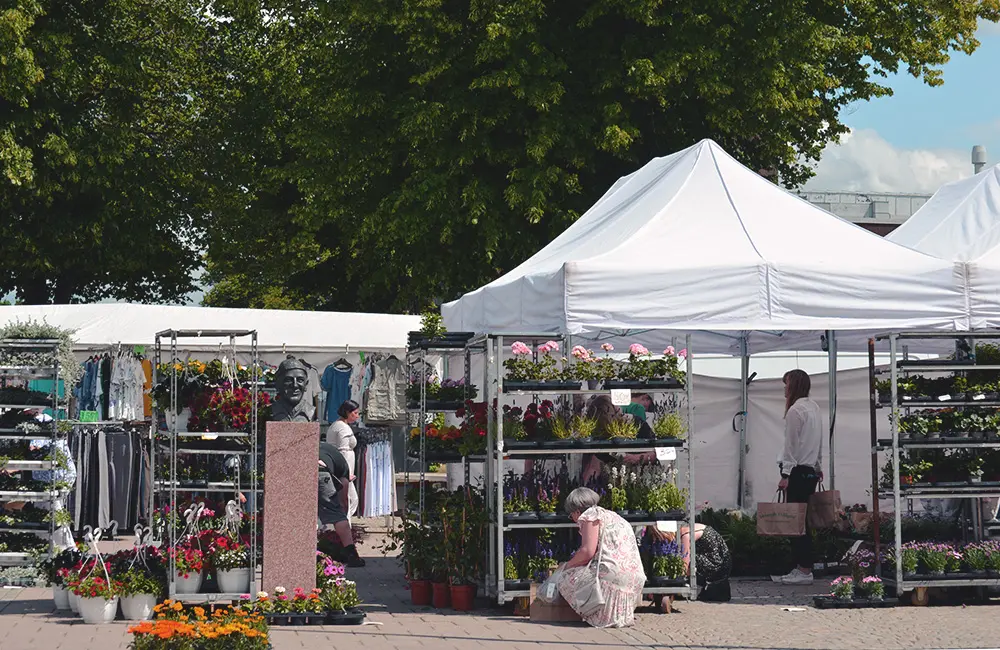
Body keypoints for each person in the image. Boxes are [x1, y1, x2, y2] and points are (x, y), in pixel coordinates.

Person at [552, 487, 645, 628]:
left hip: (614, 577)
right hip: (635, 577)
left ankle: (596, 614)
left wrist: (566, 566)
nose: (573, 519)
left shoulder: (590, 516)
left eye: (571, 515)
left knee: (566, 577)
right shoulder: (613, 515)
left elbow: (587, 551)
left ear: (577, 511)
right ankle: (619, 615)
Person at [774, 369, 823, 585]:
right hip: (809, 471)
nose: (784, 388)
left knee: (796, 523)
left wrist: (785, 474)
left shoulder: (796, 411)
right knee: (803, 522)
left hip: (797, 471)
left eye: (786, 384)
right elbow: (816, 441)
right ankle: (803, 567)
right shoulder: (814, 408)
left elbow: (791, 446)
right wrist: (818, 466)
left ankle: (803, 570)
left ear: (793, 385)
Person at [645, 523, 731, 608]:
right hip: (720, 562)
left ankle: (683, 590)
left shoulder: (685, 535)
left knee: (686, 562)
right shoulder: (684, 530)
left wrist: (672, 582)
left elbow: (685, 563)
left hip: (717, 565)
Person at [318, 442, 365, 567]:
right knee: (337, 514)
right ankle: (351, 555)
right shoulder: (344, 468)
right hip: (322, 472)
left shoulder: (323, 449)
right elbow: (343, 496)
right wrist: (343, 513)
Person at [328, 400, 360, 520]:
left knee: (347, 499)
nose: (357, 416)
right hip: (343, 471)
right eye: (355, 413)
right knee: (350, 500)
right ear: (348, 412)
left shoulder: (337, 425)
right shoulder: (343, 428)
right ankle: (343, 525)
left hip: (338, 469)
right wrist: (346, 473)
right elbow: (343, 451)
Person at [271, 356, 316, 422]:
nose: (295, 385)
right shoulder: (272, 410)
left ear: (306, 384)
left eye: (300, 380)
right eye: (288, 380)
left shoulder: (310, 411)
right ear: (278, 384)